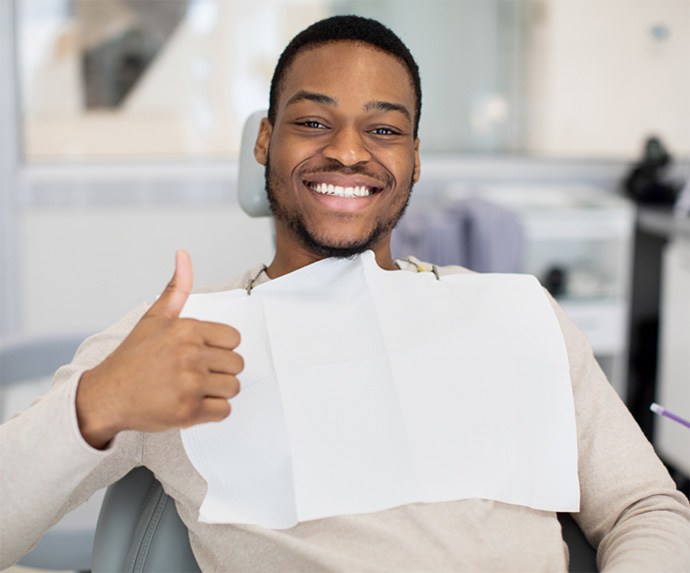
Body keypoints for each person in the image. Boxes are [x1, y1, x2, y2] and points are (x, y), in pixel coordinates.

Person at [2, 15, 689, 572]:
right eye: (312, 122)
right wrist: (98, 403)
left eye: (384, 129)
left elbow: (645, 506)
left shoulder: (517, 316)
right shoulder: (183, 337)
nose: (350, 152)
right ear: (265, 142)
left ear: (414, 160)